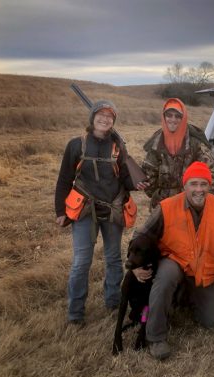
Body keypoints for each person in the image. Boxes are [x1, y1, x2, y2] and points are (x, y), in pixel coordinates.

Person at [132, 161, 214, 360]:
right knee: (165, 278)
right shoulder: (167, 207)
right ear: (185, 185)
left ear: (210, 186)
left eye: (203, 184)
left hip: (201, 270)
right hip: (175, 262)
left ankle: (183, 296)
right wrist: (135, 266)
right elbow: (141, 236)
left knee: (210, 320)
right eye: (194, 184)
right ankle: (155, 337)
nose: (199, 189)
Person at [54, 100, 148, 326]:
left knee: (114, 259)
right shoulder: (76, 145)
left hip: (113, 207)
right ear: (93, 118)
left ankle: (113, 302)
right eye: (101, 115)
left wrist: (137, 184)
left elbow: (125, 177)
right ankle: (76, 313)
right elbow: (65, 179)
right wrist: (60, 210)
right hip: (85, 209)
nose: (105, 119)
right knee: (81, 262)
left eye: (110, 116)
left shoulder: (117, 146)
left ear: (113, 121)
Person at [141, 98, 214, 209]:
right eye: (169, 115)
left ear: (183, 118)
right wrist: (157, 195)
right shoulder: (156, 142)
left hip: (190, 205)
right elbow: (147, 175)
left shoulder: (196, 142)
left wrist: (198, 198)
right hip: (162, 205)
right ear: (164, 117)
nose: (173, 119)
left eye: (177, 116)